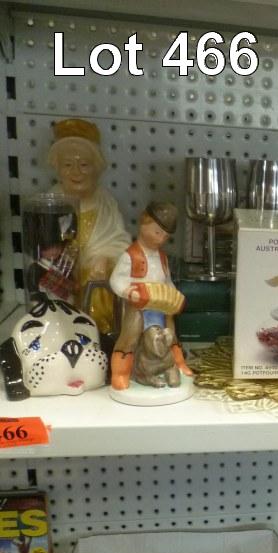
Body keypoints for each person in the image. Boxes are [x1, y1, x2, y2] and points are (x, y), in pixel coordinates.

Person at [48, 118, 131, 333]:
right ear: (58, 167)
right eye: (68, 165)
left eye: (84, 165)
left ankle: (98, 335)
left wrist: (105, 258)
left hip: (94, 277)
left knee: (101, 294)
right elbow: (44, 244)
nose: (76, 172)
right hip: (60, 275)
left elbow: (119, 239)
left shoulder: (105, 202)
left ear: (96, 168)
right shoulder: (51, 203)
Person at [109, 201, 192, 390]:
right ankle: (121, 373)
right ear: (143, 223)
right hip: (137, 307)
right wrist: (128, 292)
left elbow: (167, 280)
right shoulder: (130, 256)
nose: (161, 239)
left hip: (160, 307)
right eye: (157, 232)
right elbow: (116, 280)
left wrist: (173, 294)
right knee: (129, 339)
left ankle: (178, 363)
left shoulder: (162, 257)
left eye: (166, 236)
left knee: (171, 335)